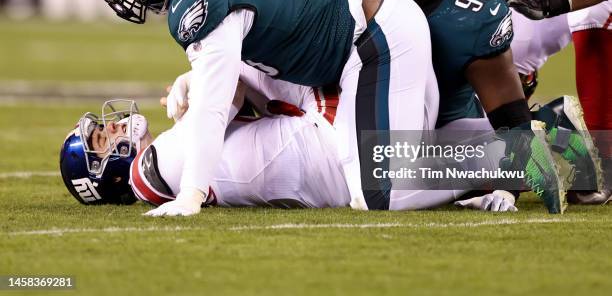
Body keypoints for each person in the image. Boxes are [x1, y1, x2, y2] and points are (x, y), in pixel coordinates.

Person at [89, 0, 437, 215]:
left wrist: (191, 192)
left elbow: (214, 106)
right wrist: (195, 76)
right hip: (345, 37)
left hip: (378, 39)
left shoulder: (200, 0)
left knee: (381, 193)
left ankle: (487, 161)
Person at [328, 0, 602, 213]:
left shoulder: (468, 18)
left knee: (386, 184)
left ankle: (553, 132)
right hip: (371, 108)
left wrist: (508, 184)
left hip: (445, 125)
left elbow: (510, 117)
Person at [60, 95, 520, 213]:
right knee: (512, 152)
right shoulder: (150, 170)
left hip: (309, 159)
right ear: (111, 176)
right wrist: (197, 85)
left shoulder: (164, 165)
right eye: (104, 140)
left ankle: (517, 145)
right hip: (318, 153)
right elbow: (231, 94)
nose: (115, 127)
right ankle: (546, 138)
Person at [455, 0, 612, 203]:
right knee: (501, 42)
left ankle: (605, 163)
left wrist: (552, 0)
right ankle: (518, 151)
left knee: (592, 19)